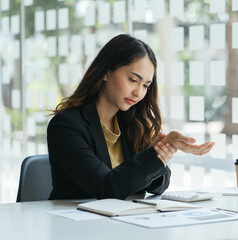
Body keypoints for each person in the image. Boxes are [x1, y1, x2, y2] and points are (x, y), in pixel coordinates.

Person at [47, 34, 214, 200]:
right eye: (133, 80)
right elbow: (107, 188)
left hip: (124, 220)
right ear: (106, 72)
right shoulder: (66, 126)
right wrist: (152, 157)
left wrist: (157, 151)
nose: (138, 93)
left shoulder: (131, 122)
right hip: (77, 222)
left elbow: (160, 186)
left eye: (146, 85)